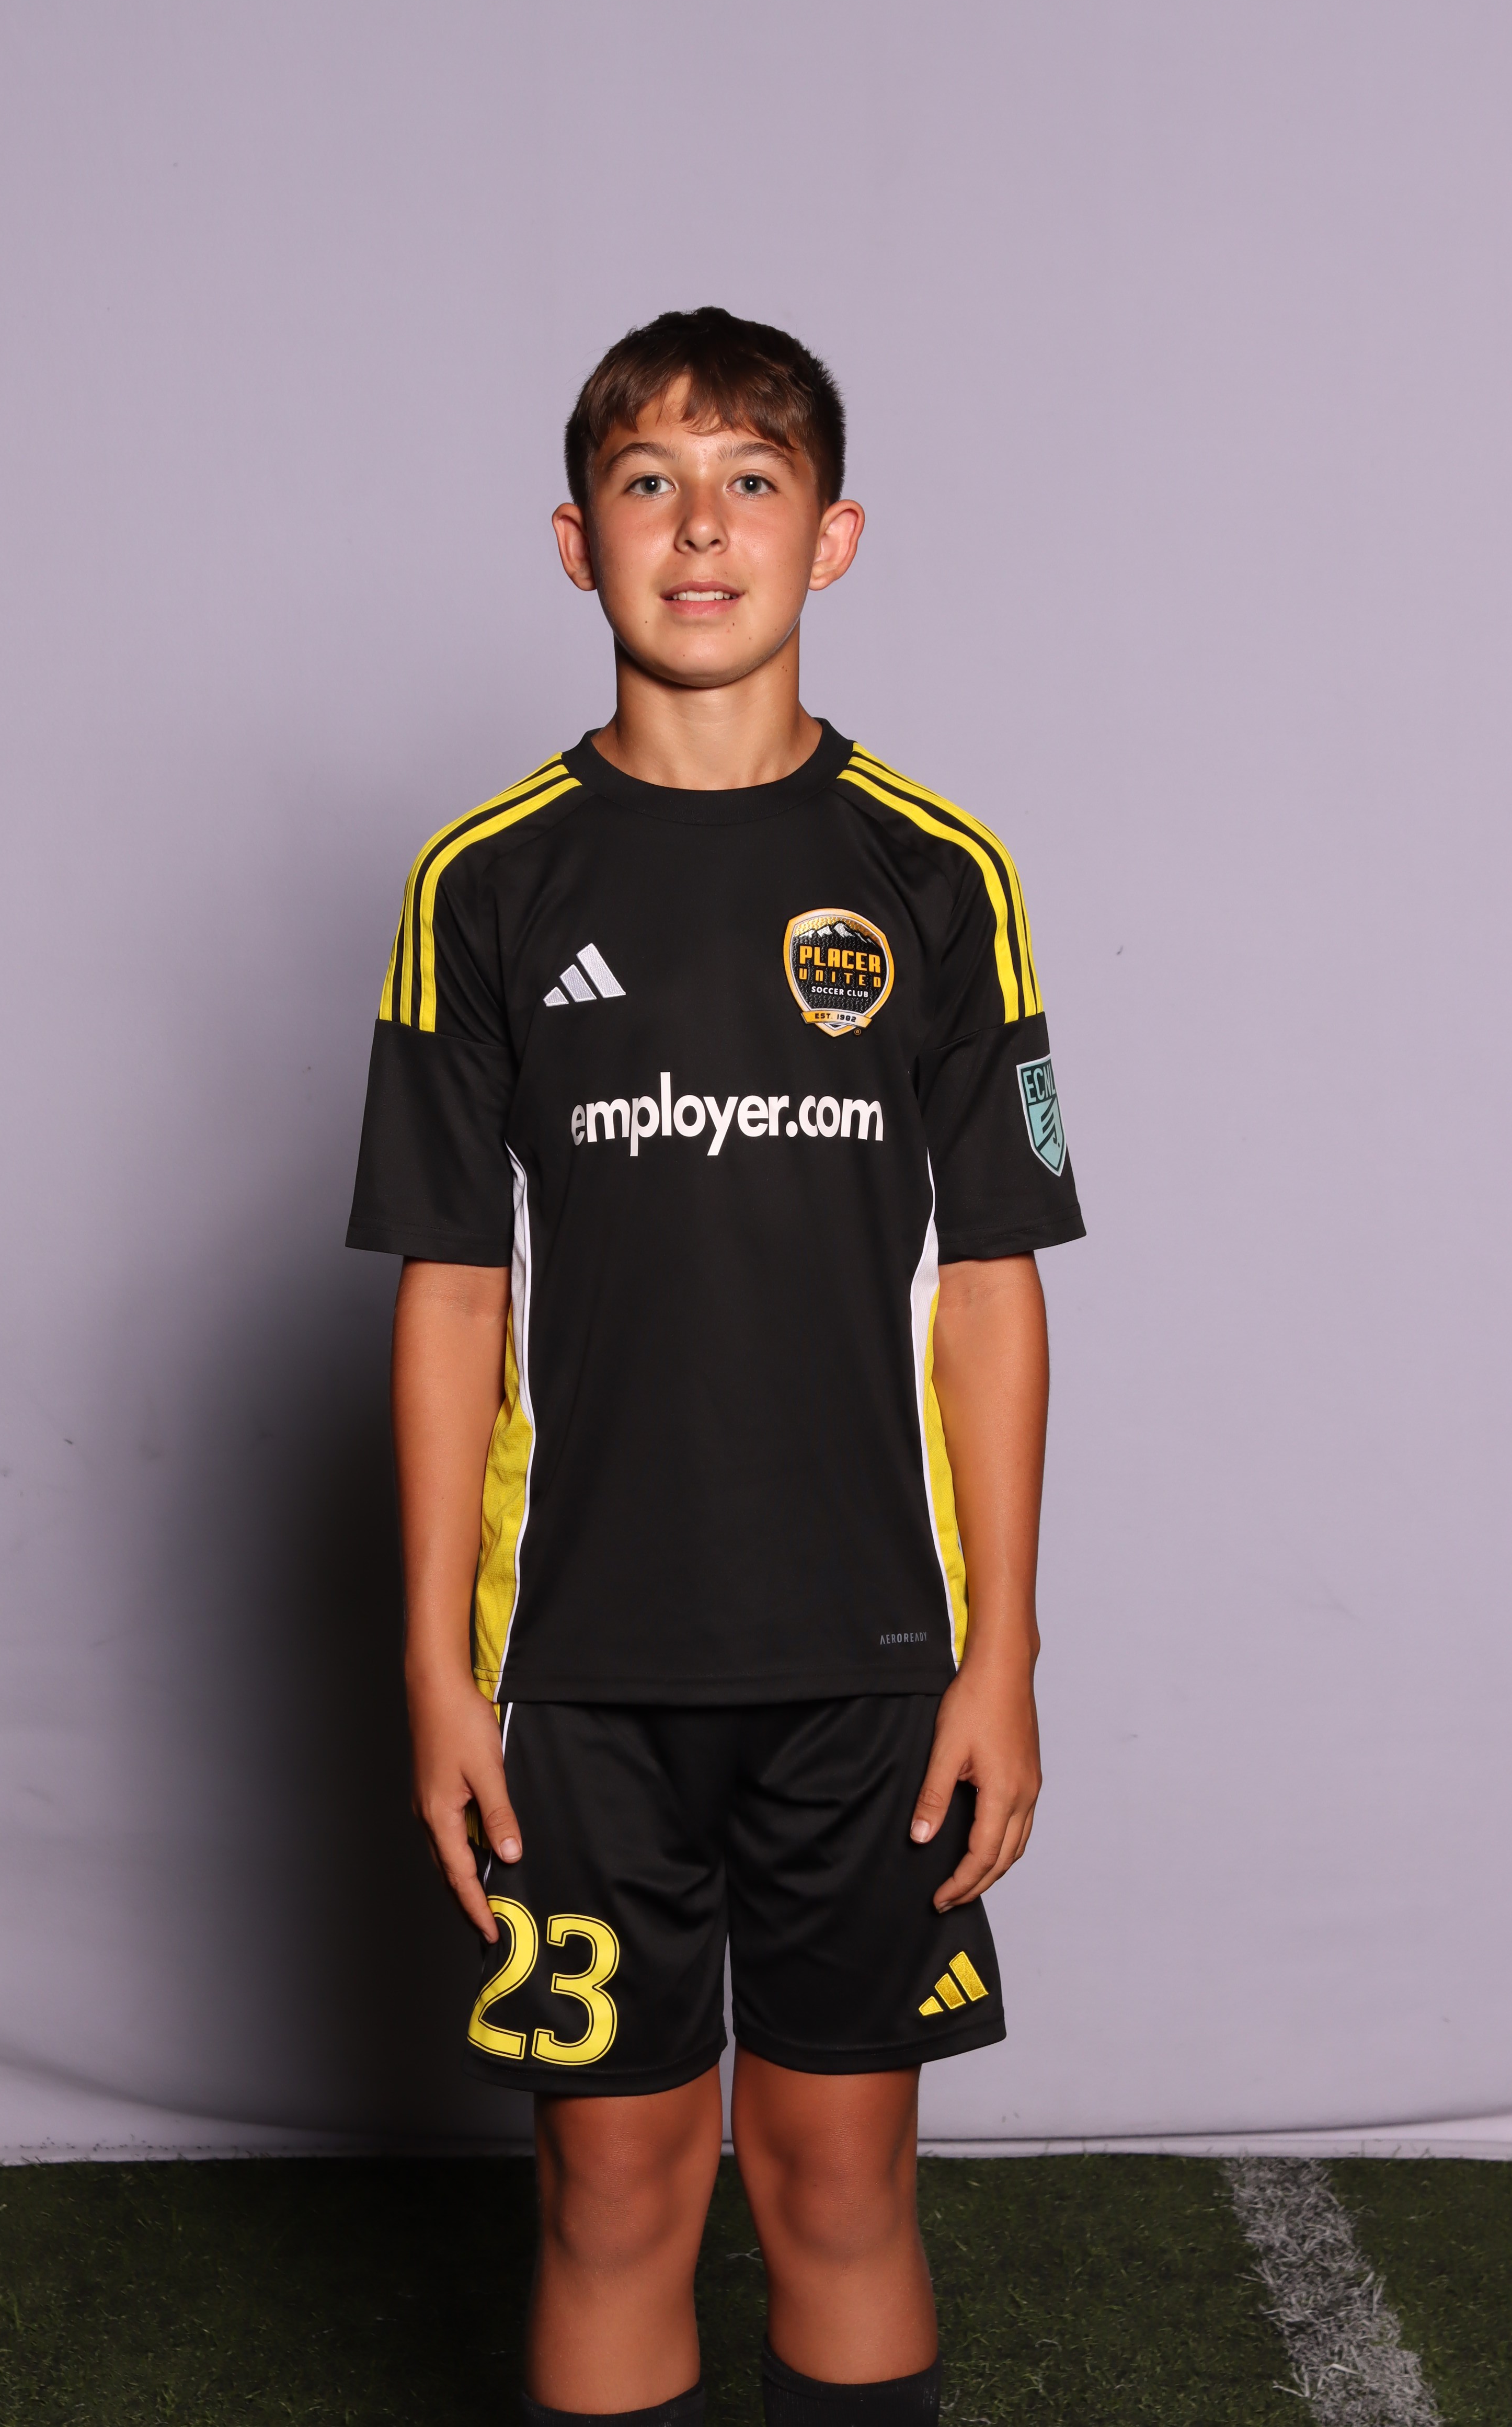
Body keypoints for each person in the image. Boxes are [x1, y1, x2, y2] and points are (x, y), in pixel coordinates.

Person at [346, 307, 1084, 2426]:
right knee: (613, 2193)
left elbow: (991, 1286)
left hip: (869, 1664)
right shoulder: (483, 883)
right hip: (578, 1674)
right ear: (573, 542)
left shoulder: (936, 874)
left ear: (830, 538)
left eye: (750, 482)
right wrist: (435, 1670)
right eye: (647, 484)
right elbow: (451, 1293)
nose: (698, 528)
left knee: (837, 2182)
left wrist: (1003, 1650)